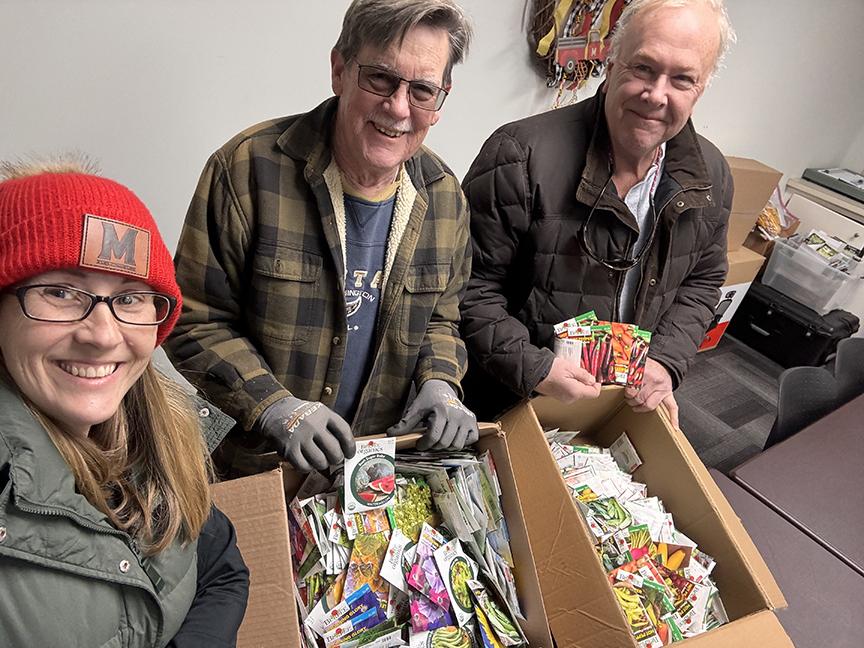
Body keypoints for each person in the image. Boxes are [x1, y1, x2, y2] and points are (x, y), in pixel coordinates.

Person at [166, 0, 478, 476]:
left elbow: (440, 320)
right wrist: (274, 406)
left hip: (375, 475)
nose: (398, 108)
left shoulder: (444, 196)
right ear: (339, 70)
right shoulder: (247, 169)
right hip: (257, 468)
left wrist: (440, 381)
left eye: (422, 91)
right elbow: (192, 318)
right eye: (380, 79)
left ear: (441, 99)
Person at [0, 159, 248, 648]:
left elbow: (219, 566)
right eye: (60, 292)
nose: (103, 335)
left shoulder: (158, 426)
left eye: (131, 298)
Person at [460, 0, 736, 427]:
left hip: (616, 403)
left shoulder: (712, 174)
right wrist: (536, 368)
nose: (656, 95)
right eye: (643, 68)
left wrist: (666, 360)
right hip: (510, 398)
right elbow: (467, 288)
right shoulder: (518, 156)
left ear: (700, 89)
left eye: (682, 79)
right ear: (611, 61)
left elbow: (702, 281)